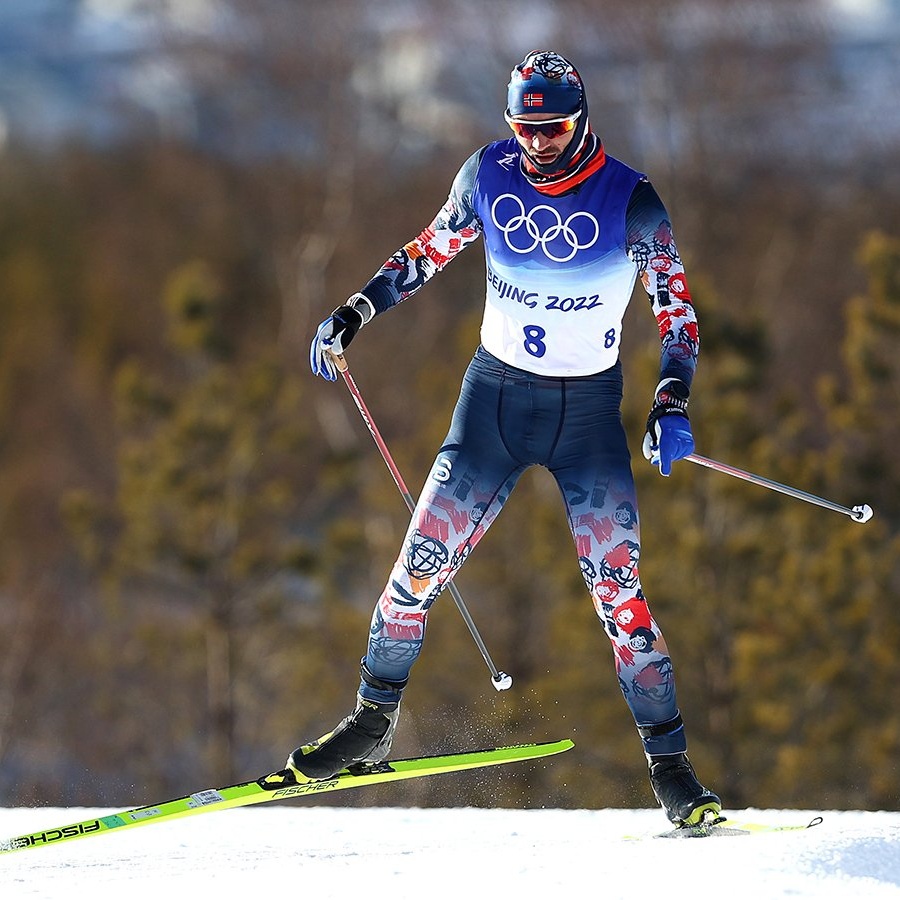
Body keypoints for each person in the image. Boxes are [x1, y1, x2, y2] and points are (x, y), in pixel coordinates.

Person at [297, 49, 720, 826]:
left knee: (619, 595)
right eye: (523, 128)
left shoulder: (632, 200)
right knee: (416, 568)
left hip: (586, 419)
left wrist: (671, 399)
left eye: (552, 128)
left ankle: (672, 770)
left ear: (582, 117)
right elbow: (429, 250)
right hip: (491, 404)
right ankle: (370, 722)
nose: (536, 143)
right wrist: (355, 310)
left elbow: (677, 313)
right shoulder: (487, 174)